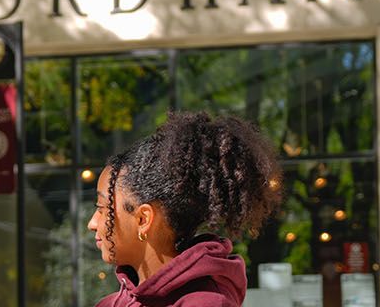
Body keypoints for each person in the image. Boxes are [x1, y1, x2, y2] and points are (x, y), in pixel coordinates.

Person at [87, 112, 284, 307]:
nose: (92, 223)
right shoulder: (110, 304)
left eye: (102, 208)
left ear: (143, 219)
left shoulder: (207, 303)